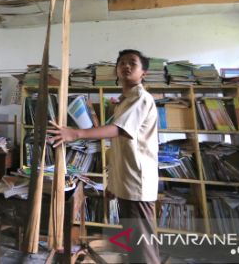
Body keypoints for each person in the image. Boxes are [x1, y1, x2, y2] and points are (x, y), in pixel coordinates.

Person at [48, 50, 159, 264]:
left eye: (132, 63)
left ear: (143, 72)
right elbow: (120, 146)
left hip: (138, 184)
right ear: (117, 70)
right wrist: (113, 183)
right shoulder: (124, 101)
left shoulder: (141, 99)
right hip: (127, 181)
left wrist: (76, 133)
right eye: (122, 63)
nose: (126, 66)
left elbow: (118, 130)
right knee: (135, 242)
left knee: (143, 245)